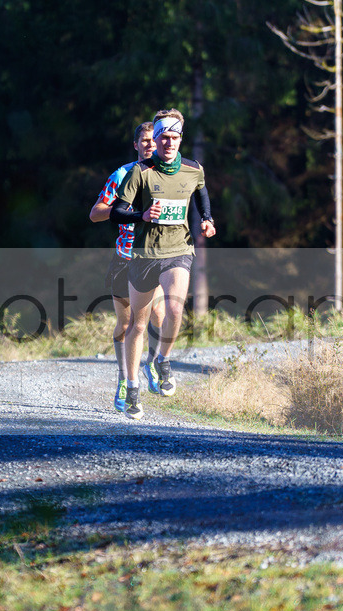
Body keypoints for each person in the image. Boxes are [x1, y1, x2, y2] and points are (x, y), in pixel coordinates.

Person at [110, 108, 216, 420]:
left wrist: (207, 219)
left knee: (174, 309)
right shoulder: (140, 173)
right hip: (143, 255)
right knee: (138, 325)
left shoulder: (193, 169)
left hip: (178, 250)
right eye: (163, 137)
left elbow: (201, 194)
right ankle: (131, 387)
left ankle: (163, 361)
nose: (169, 143)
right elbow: (117, 211)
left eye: (174, 137)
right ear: (154, 141)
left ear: (181, 139)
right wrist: (140, 216)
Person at [89, 121, 165, 412]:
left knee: (159, 313)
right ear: (136, 145)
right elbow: (95, 213)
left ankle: (153, 363)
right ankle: (123, 380)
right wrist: (129, 212)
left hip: (156, 254)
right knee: (127, 323)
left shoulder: (167, 175)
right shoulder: (121, 175)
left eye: (153, 140)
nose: (149, 145)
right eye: (144, 141)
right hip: (125, 257)